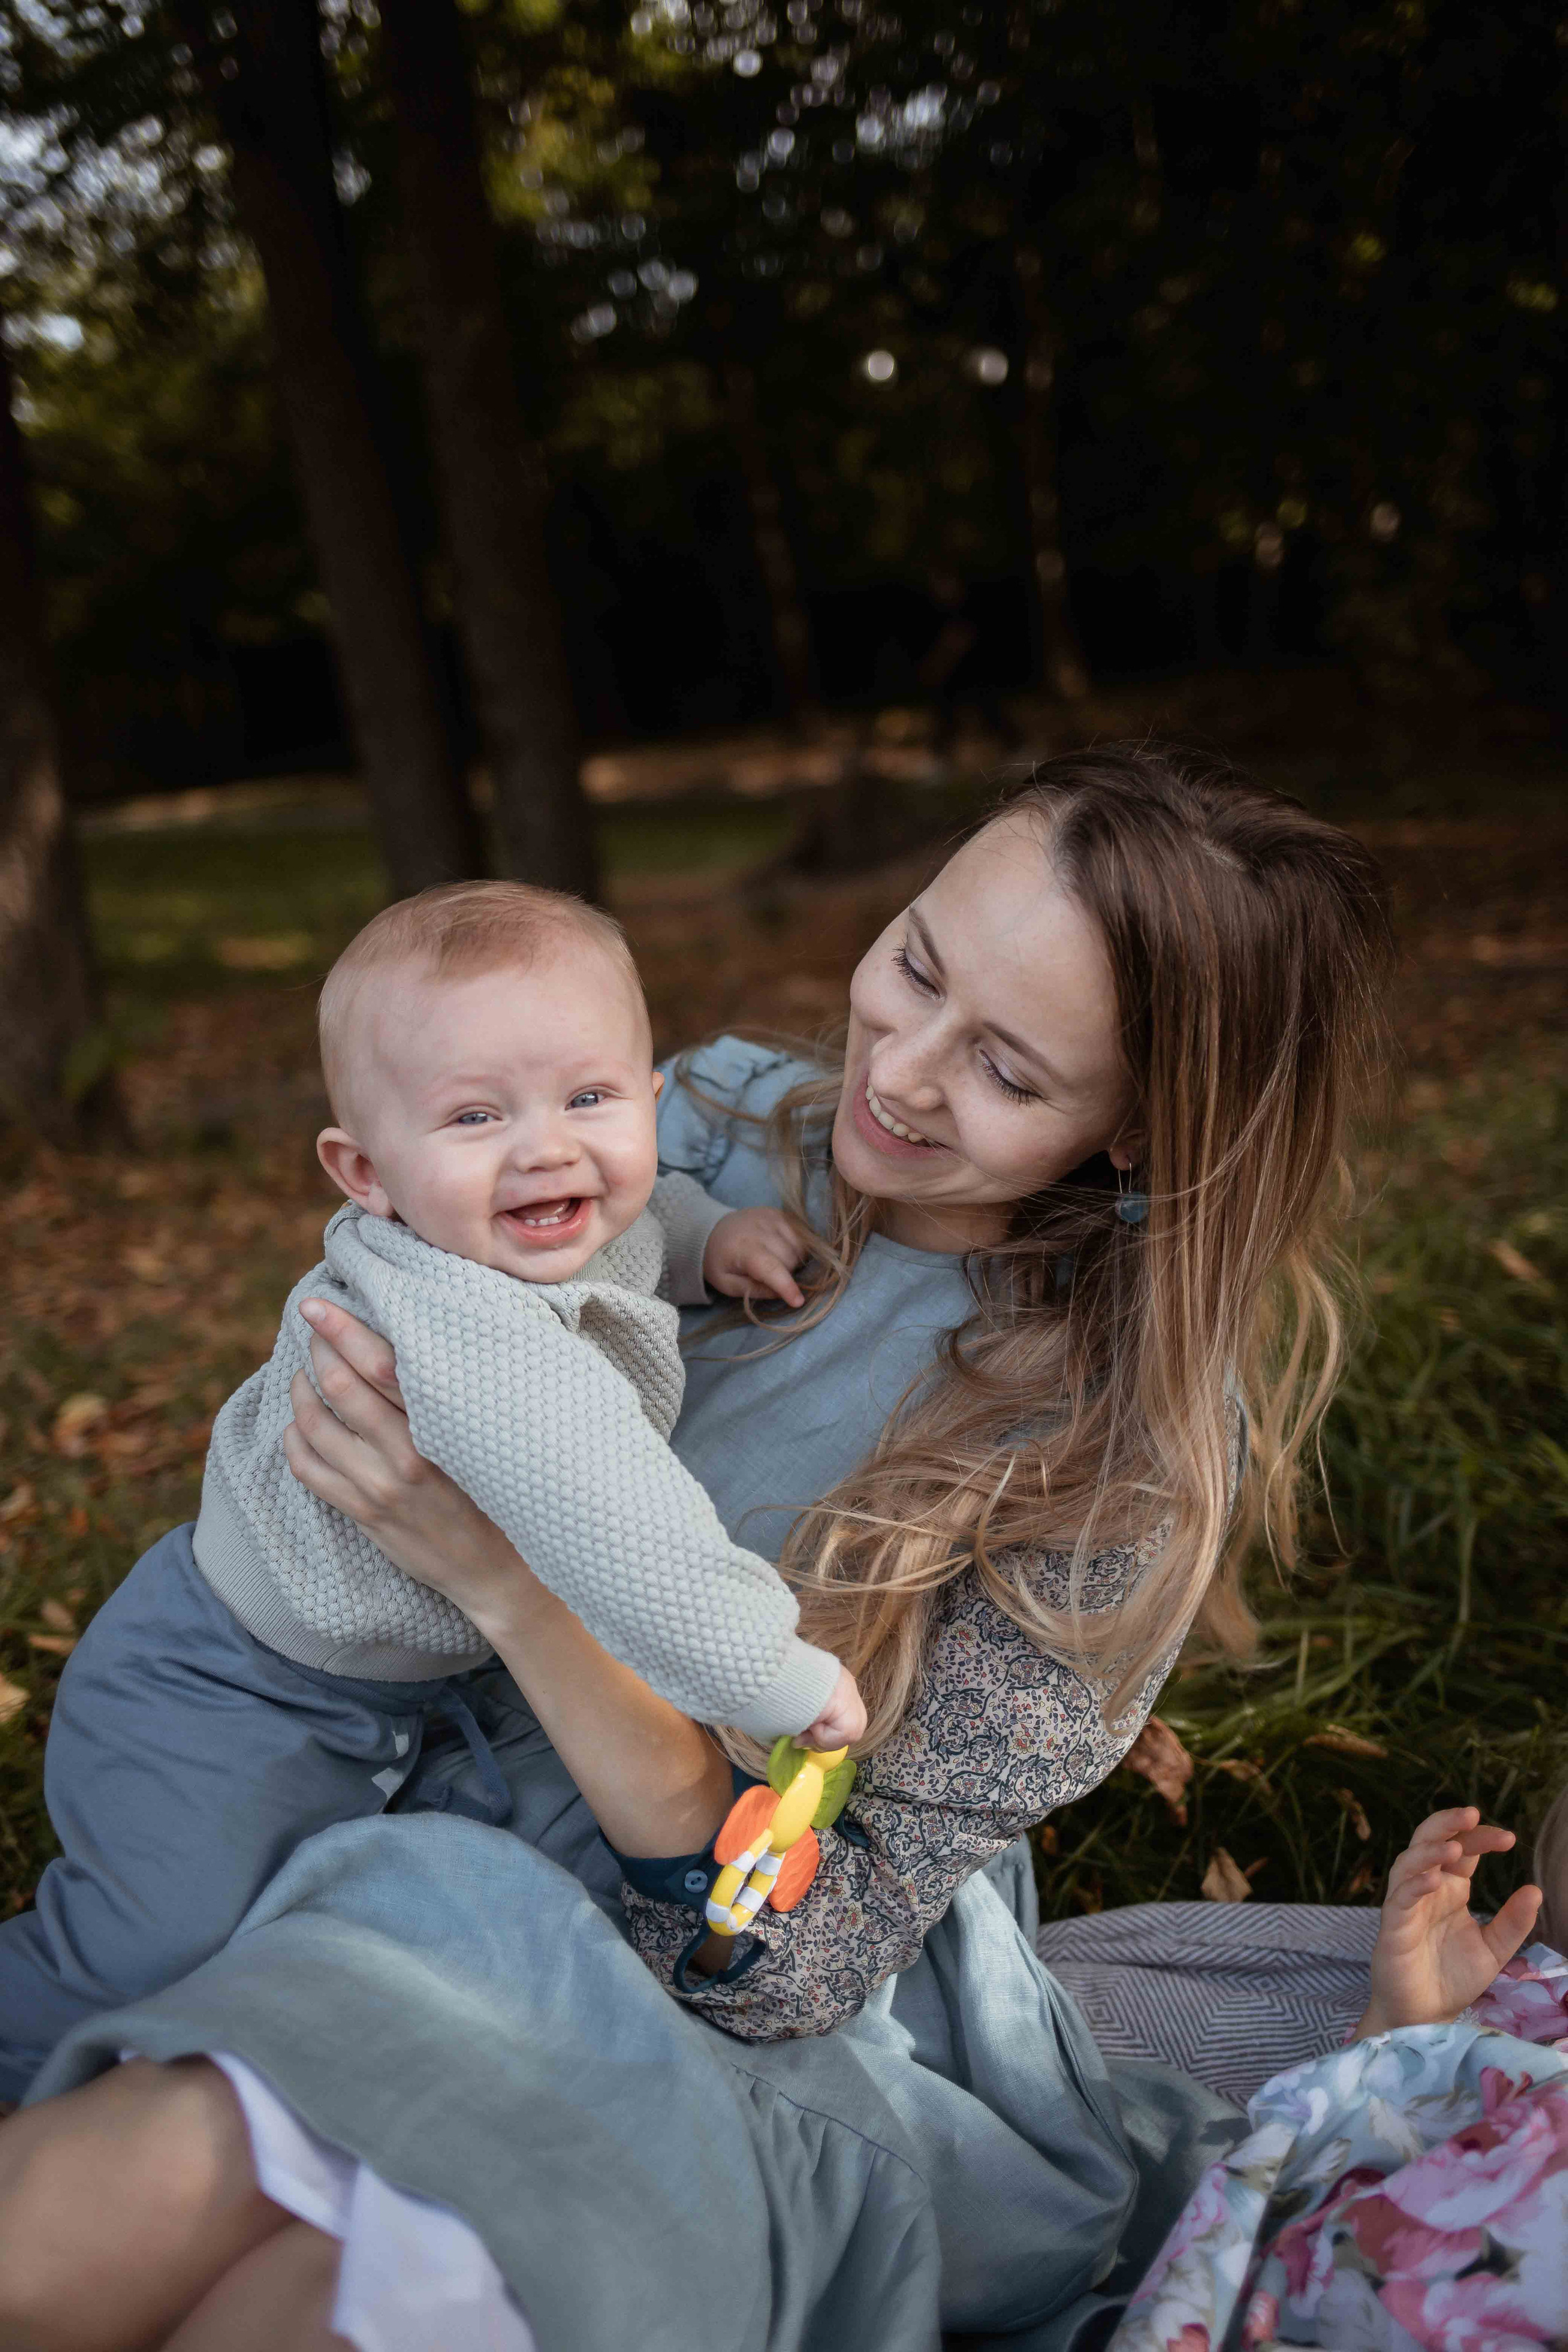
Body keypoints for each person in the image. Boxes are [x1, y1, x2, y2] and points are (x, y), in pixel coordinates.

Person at [0, 747, 1395, 2352]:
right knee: (53, 2249)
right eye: (917, 967)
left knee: (297, 2312)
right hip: (372, 1854)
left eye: (1010, 1071)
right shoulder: (706, 1116)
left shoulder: (1114, 1451)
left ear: (1143, 1127)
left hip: (705, 2022)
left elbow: (791, 1956)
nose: (906, 1073)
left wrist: (508, 1589)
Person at [0, 881, 865, 2095]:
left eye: (588, 1097)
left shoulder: (541, 1214)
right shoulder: (464, 1328)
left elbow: (634, 1218)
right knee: (153, 1954)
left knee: (300, 1957)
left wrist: (705, 1237)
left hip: (378, 1689)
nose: (546, 1146)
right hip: (230, 1695)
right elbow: (624, 1527)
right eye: (473, 1116)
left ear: (650, 1103)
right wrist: (770, 1672)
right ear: (366, 1172)